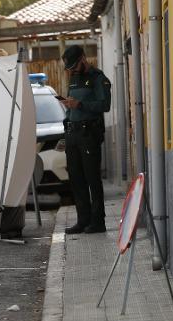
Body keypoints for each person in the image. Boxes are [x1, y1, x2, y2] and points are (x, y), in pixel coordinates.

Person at [60, 45, 112, 234]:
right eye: (69, 67)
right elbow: (72, 106)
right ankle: (83, 220)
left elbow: (104, 105)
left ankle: (98, 221)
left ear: (83, 58)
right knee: (76, 178)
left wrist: (80, 104)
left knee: (92, 179)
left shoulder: (98, 78)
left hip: (89, 133)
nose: (72, 70)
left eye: (74, 66)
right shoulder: (74, 78)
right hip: (73, 133)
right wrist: (69, 110)